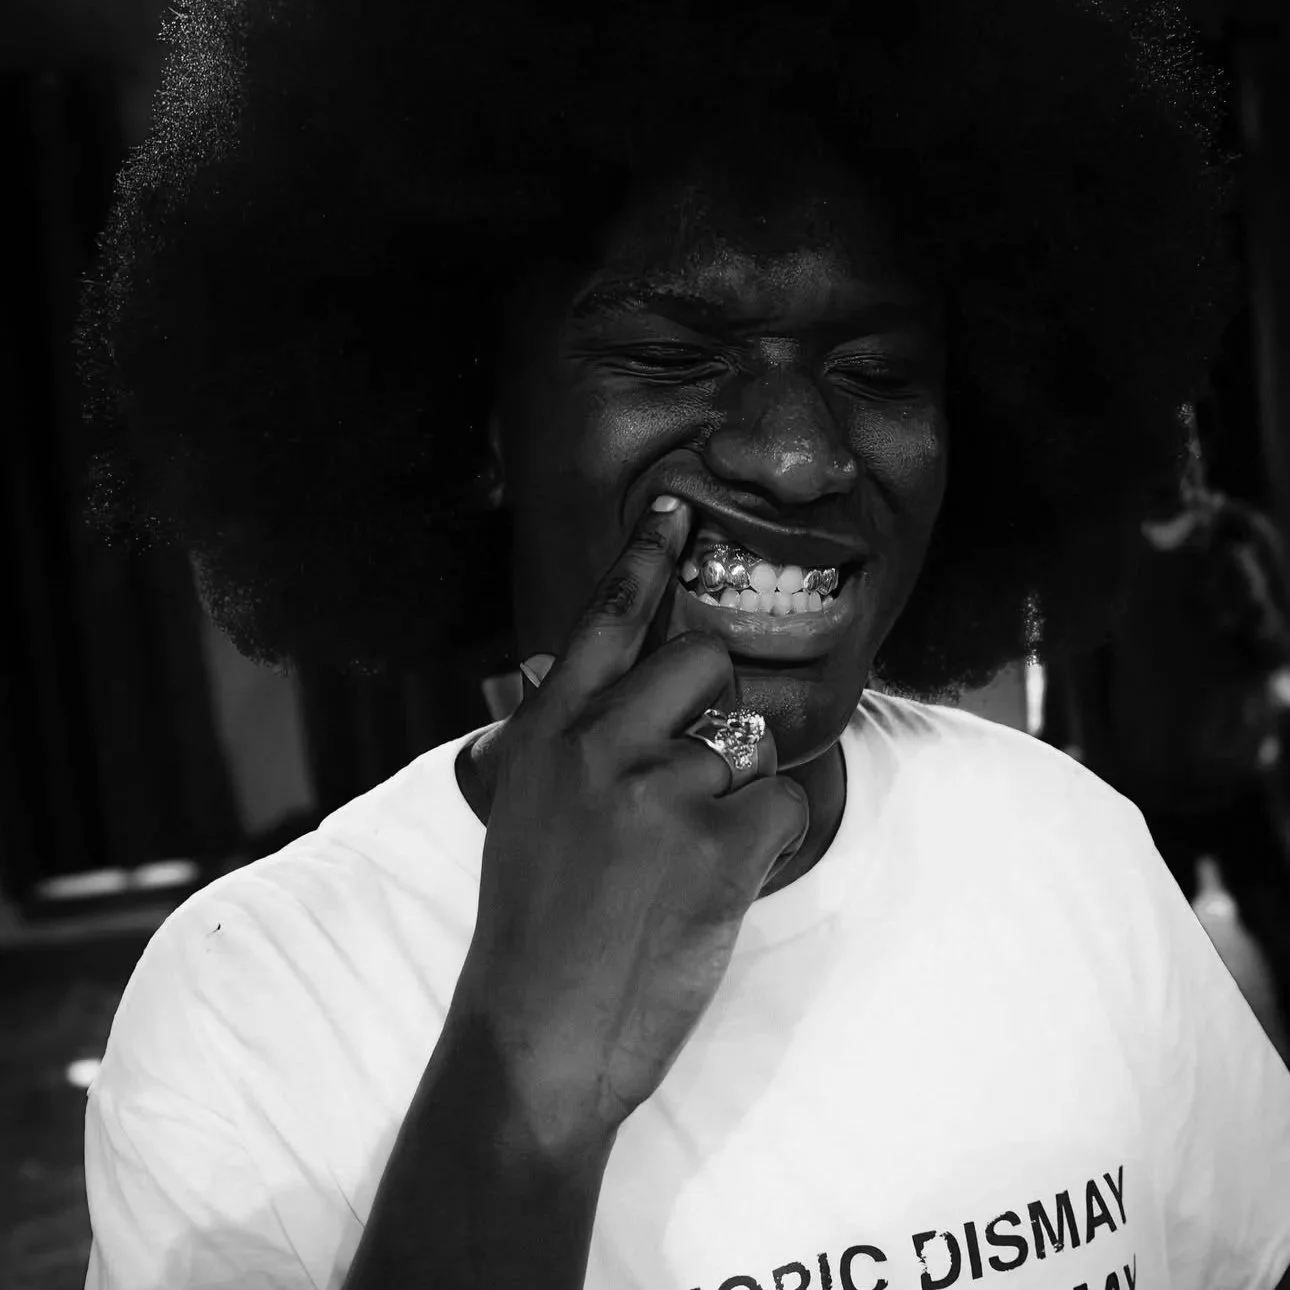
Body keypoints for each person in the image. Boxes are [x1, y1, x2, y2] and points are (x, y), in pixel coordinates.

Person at [73, 1, 1290, 1287]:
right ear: (476, 426)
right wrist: (529, 1083)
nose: (800, 456)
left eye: (876, 372)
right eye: (671, 356)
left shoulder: (1067, 845)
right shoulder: (253, 1002)